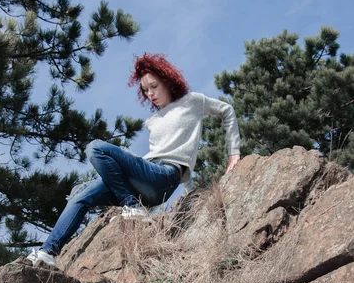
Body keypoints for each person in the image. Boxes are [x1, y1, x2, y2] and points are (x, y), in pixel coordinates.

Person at [28, 53, 241, 267]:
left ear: (167, 80)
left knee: (95, 148)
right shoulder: (153, 121)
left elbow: (226, 111)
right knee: (80, 193)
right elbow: (166, 149)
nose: (150, 94)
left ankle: (130, 205)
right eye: (145, 90)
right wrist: (190, 191)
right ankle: (48, 252)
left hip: (164, 176)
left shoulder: (192, 101)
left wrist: (233, 154)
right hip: (145, 179)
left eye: (154, 86)